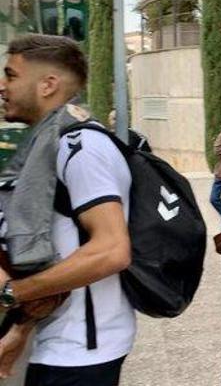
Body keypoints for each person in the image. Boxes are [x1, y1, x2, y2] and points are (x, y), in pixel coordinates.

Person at [0, 34, 135, 385]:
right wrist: (22, 328)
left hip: (81, 354)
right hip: (64, 345)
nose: (2, 86)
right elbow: (61, 246)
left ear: (48, 85)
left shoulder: (81, 147)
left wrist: (12, 293)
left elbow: (112, 250)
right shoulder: (53, 144)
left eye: (11, 75)